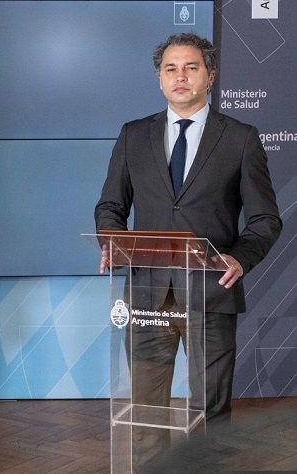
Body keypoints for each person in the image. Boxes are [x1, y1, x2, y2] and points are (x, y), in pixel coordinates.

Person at [95, 33, 281, 441]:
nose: (180, 77)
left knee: (210, 412)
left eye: (191, 68)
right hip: (146, 294)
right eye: (171, 69)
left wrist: (239, 258)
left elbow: (265, 218)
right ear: (160, 79)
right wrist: (111, 243)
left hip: (211, 291)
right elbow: (110, 206)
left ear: (210, 76)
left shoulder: (240, 138)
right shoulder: (133, 135)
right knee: (145, 411)